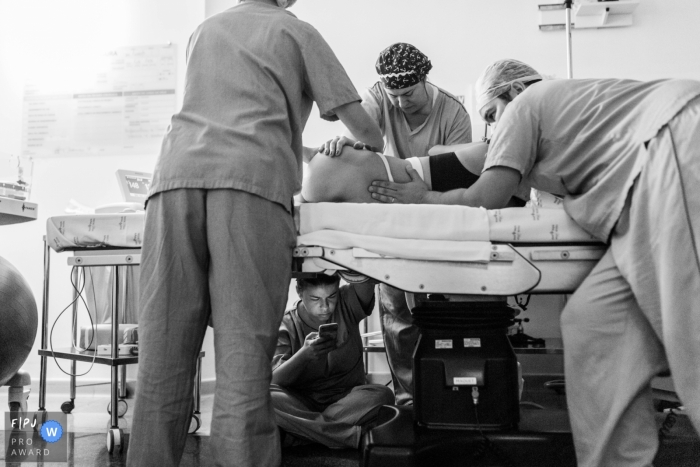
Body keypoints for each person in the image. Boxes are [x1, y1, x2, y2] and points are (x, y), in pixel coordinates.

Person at [368, 58, 700, 467]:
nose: (492, 129)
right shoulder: (563, 120)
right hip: (633, 200)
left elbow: (483, 198)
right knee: (594, 324)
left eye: (491, 115)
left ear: (511, 92)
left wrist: (423, 199)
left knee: (692, 331)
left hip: (678, 145)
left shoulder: (528, 104)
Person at [126, 0, 383, 465]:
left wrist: (299, 149)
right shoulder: (296, 31)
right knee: (244, 361)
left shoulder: (205, 31)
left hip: (172, 181)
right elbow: (367, 129)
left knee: (161, 359)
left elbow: (232, 120)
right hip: (249, 190)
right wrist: (364, 144)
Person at [319, 43, 474, 405]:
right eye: (395, 96)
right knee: (397, 311)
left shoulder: (454, 114)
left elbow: (457, 178)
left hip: (433, 212)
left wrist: (416, 189)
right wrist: (348, 141)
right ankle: (409, 398)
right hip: (389, 217)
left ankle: (446, 395)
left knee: (435, 308)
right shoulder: (379, 98)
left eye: (408, 94)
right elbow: (363, 132)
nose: (401, 104)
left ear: (425, 80)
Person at [270, 274, 395, 449]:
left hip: (348, 400)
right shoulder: (286, 324)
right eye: (315, 299)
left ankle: (302, 433)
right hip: (302, 402)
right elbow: (275, 381)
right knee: (266, 396)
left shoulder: (346, 302)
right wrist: (304, 355)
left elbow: (364, 279)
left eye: (331, 296)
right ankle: (351, 436)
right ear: (299, 291)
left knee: (383, 394)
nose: (325, 307)